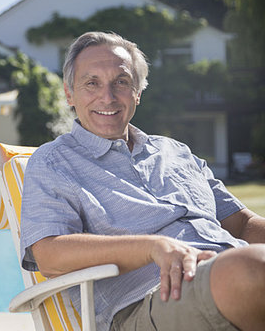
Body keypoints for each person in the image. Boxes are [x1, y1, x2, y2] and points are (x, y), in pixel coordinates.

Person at [20, 31, 265, 331]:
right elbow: (49, 254)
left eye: (121, 82)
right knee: (253, 268)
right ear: (69, 93)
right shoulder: (52, 162)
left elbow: (240, 224)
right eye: (91, 83)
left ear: (137, 91)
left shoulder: (175, 152)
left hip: (228, 271)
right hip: (151, 300)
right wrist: (151, 248)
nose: (107, 96)